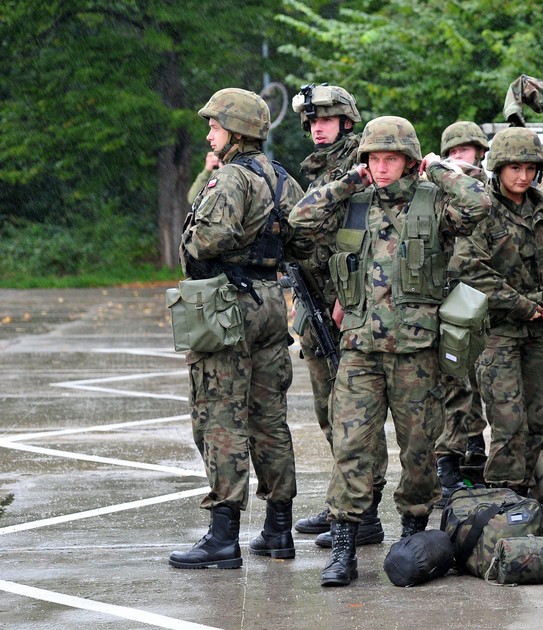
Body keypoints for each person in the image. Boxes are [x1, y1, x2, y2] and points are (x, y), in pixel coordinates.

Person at [288, 115, 492, 587]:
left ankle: (414, 540)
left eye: (391, 159)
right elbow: (298, 220)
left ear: (408, 160)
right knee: (352, 449)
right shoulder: (353, 203)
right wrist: (345, 183)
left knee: (419, 453)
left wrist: (436, 170)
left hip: (415, 353)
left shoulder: (433, 202)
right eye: (374, 159)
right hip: (358, 350)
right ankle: (344, 547)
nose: (381, 168)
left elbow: (480, 205)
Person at [169, 88, 305, 569]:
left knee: (220, 416)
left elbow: (210, 238)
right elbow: (303, 235)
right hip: (270, 299)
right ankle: (278, 529)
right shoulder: (282, 177)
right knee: (269, 417)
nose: (209, 133)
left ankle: (223, 536)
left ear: (237, 131)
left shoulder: (228, 177)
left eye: (215, 126)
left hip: (227, 303)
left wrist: (190, 236)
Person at [280, 84, 389, 551]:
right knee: (330, 412)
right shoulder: (319, 168)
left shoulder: (360, 165)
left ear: (346, 120)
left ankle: (364, 512)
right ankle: (346, 500)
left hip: (351, 307)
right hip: (317, 302)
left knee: (356, 415)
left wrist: (351, 295)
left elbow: (368, 237)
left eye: (325, 119)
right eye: (311, 121)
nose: (317, 127)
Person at [456, 127, 543, 495]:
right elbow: (468, 268)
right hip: (498, 332)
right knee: (507, 421)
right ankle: (504, 498)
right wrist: (523, 306)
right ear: (498, 168)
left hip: (542, 333)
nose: (523, 176)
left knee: (537, 419)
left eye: (530, 168)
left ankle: (533, 497)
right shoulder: (481, 210)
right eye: (514, 167)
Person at [433, 121, 491, 499]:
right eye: (451, 152)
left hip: (490, 297)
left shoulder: (491, 187)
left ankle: (481, 454)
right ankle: (456, 456)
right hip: (455, 300)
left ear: (480, 153)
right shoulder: (441, 190)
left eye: (465, 150)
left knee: (489, 385)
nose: (458, 157)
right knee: (457, 383)